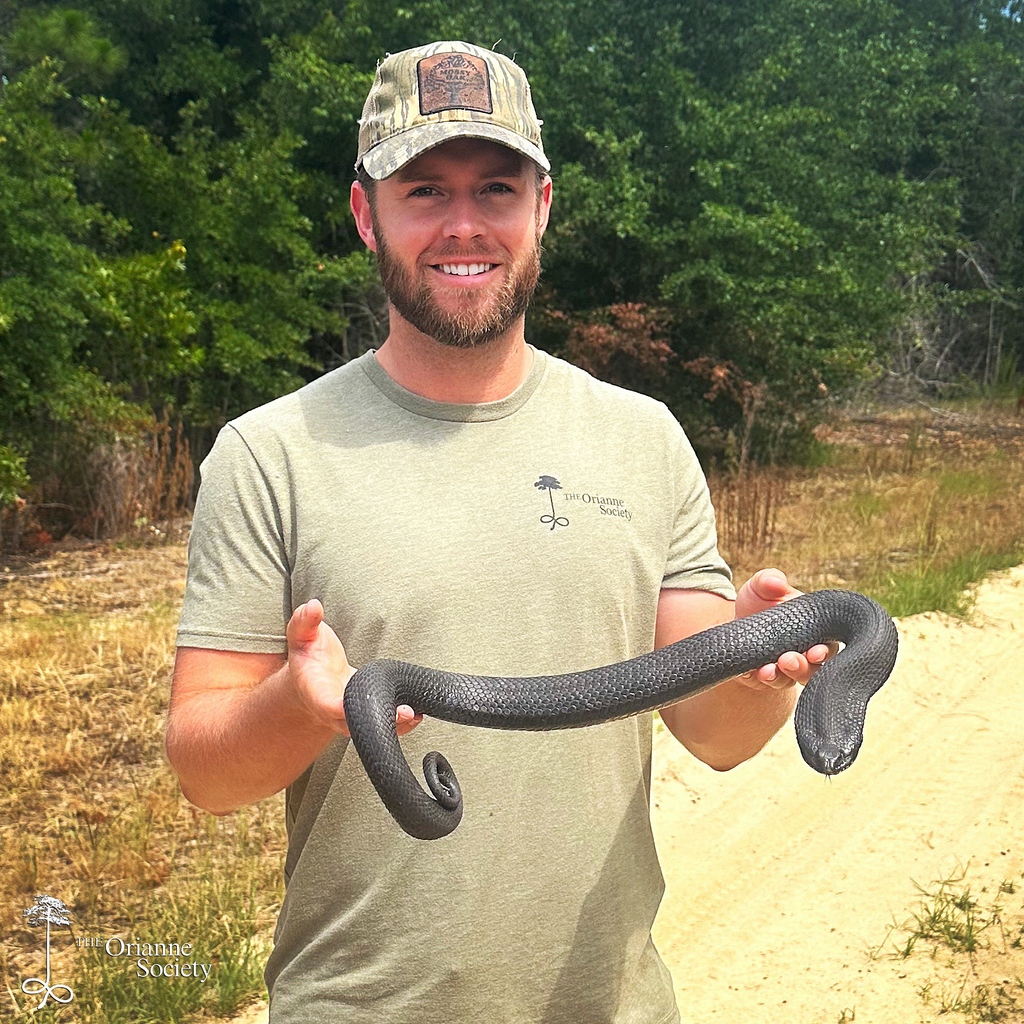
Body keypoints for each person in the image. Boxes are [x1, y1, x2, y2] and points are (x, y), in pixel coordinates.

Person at [166, 40, 833, 1024]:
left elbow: (716, 737)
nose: (464, 225)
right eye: (424, 191)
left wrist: (752, 664)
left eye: (496, 189)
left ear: (544, 207)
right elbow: (203, 769)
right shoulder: (269, 455)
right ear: (366, 215)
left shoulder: (642, 440)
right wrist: (304, 704)